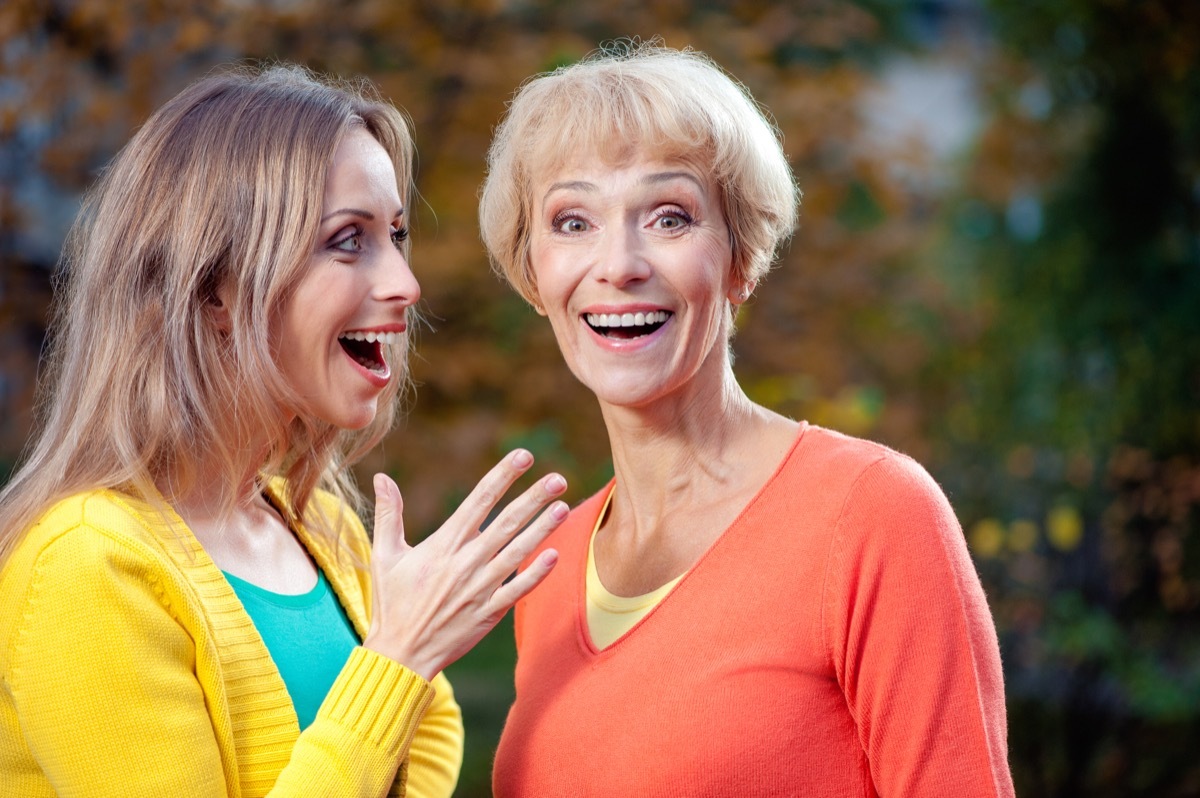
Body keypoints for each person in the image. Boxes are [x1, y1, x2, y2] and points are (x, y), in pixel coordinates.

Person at [0, 64, 566, 798]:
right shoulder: (87, 566)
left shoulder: (321, 526)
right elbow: (392, 699)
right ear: (213, 290)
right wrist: (396, 659)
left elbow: (425, 735)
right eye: (347, 240)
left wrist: (408, 660)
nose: (405, 283)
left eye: (395, 234)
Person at [479, 42, 1015, 796]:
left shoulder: (872, 514)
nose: (619, 263)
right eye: (573, 222)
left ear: (740, 258)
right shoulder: (549, 567)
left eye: (669, 217)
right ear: (533, 273)